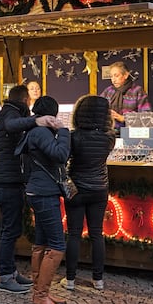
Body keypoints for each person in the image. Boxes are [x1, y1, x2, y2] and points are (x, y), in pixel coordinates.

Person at [0, 85, 62, 294]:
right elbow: (12, 125)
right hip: (7, 183)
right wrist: (37, 121)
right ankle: (5, 277)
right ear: (25, 100)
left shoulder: (9, 112)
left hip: (9, 181)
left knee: (10, 230)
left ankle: (10, 272)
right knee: (9, 231)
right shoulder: (10, 114)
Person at [21, 96, 70, 304]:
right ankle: (41, 296)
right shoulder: (41, 132)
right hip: (44, 193)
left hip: (38, 191)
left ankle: (39, 292)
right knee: (57, 245)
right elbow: (60, 154)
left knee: (41, 242)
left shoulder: (35, 130)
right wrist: (64, 132)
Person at [63, 95, 116, 291]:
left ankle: (69, 280)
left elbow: (64, 160)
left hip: (76, 189)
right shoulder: (110, 137)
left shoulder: (72, 136)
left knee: (74, 234)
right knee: (96, 233)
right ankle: (98, 280)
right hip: (99, 188)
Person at [99, 61, 151, 128]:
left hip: (130, 131)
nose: (113, 80)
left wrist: (124, 118)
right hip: (110, 131)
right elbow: (98, 109)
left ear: (126, 75)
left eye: (116, 76)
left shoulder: (137, 91)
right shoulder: (108, 91)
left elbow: (147, 116)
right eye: (111, 76)